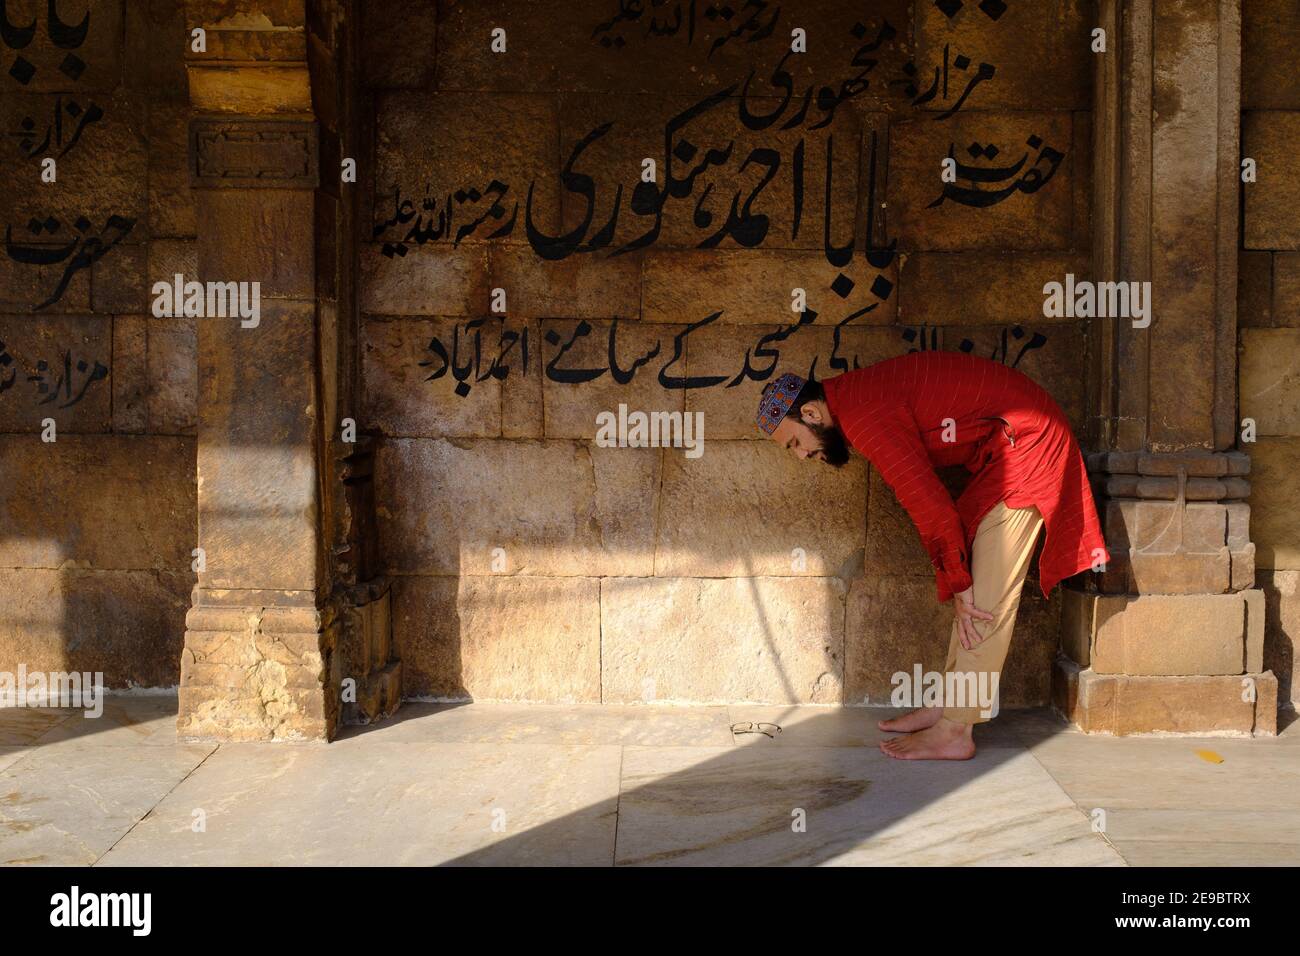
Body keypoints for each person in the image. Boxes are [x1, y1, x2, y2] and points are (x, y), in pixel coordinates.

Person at [755, 351, 1109, 760]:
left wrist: (959, 583)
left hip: (1028, 446)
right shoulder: (856, 400)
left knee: (983, 604)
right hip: (1007, 452)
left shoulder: (864, 415)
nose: (801, 455)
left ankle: (956, 730)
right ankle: (950, 703)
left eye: (796, 442)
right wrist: (959, 581)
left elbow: (930, 506)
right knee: (975, 593)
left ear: (813, 413)